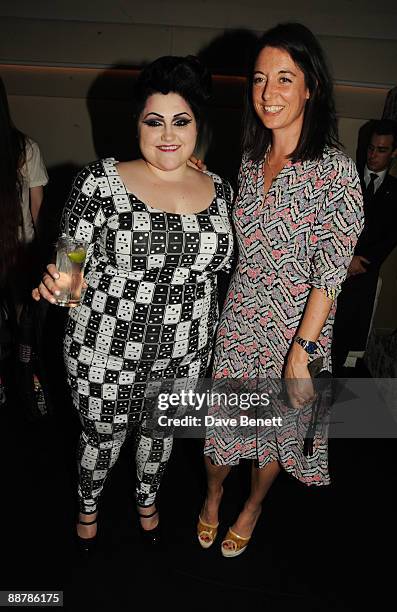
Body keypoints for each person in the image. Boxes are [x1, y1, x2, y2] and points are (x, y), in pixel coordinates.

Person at [32, 56, 234, 550]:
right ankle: (88, 504)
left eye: (181, 121)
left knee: (158, 438)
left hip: (184, 353)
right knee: (101, 441)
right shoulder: (99, 184)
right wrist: (58, 283)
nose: (168, 134)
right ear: (137, 124)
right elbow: (69, 267)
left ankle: (147, 498)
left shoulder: (222, 190)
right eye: (154, 120)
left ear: (197, 125)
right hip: (105, 353)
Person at [197, 22, 364, 557]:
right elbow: (236, 232)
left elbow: (331, 271)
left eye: (284, 79)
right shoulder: (249, 161)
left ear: (311, 86)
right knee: (223, 436)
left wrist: (303, 351)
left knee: (273, 437)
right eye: (259, 79)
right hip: (241, 316)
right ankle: (213, 496)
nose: (269, 93)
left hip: (299, 328)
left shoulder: (335, 171)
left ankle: (252, 507)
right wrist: (201, 181)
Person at [0, 76, 48, 411]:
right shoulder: (25, 147)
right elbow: (36, 206)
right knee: (24, 325)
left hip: (16, 249)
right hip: (20, 247)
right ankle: (29, 385)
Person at [333, 120, 397, 371]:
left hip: (365, 274)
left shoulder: (396, 191)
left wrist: (360, 261)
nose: (373, 155)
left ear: (393, 153)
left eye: (381, 150)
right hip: (334, 267)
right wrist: (344, 258)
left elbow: (390, 237)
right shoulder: (346, 179)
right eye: (371, 148)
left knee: (350, 341)